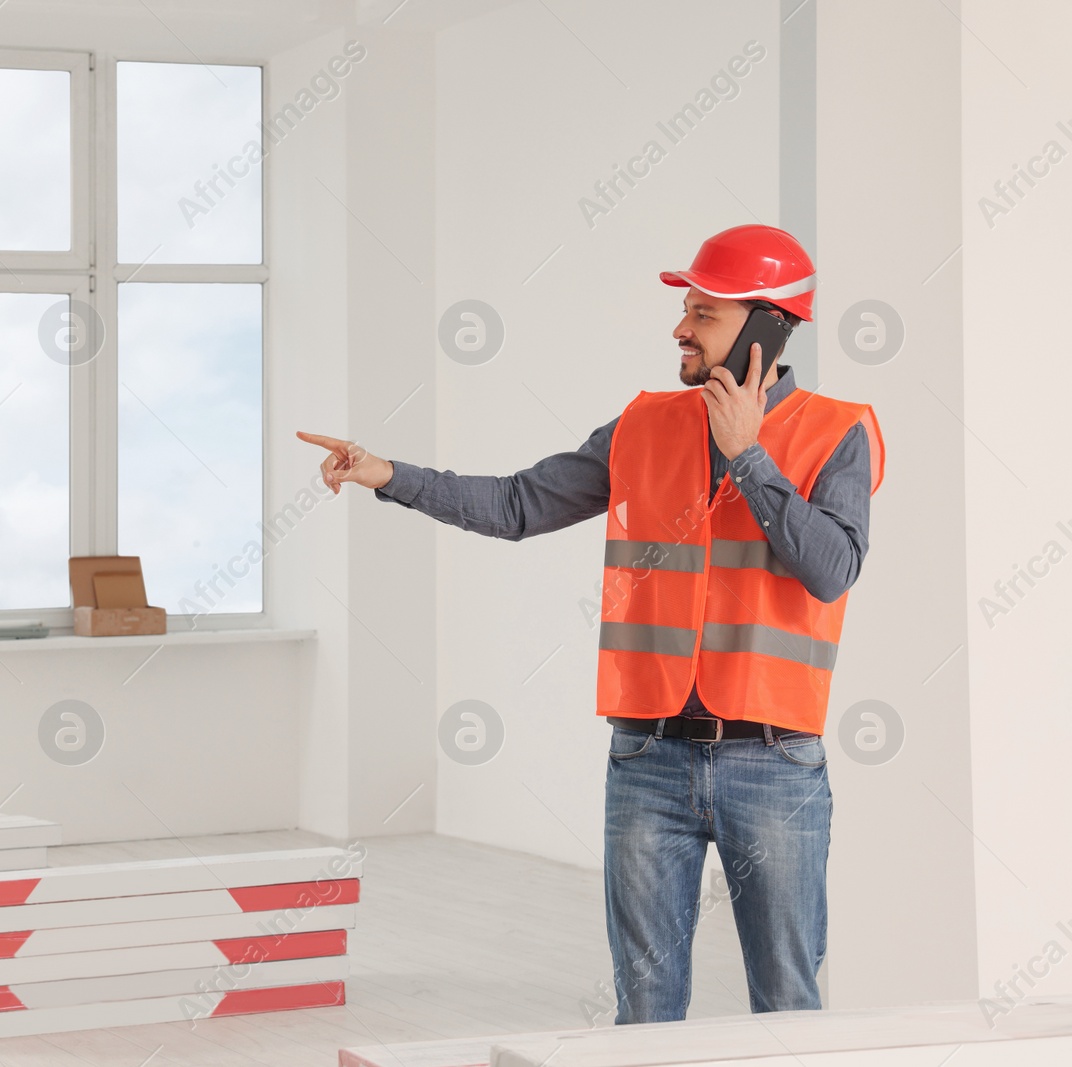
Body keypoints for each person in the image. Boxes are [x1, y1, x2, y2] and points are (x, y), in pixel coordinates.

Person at [296, 224, 886, 1024]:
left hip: (775, 763)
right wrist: (386, 475)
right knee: (643, 1011)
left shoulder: (837, 430)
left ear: (765, 327)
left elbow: (832, 568)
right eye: (686, 309)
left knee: (786, 1003)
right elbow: (516, 504)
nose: (680, 328)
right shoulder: (642, 426)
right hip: (647, 756)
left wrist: (749, 456)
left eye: (703, 313)